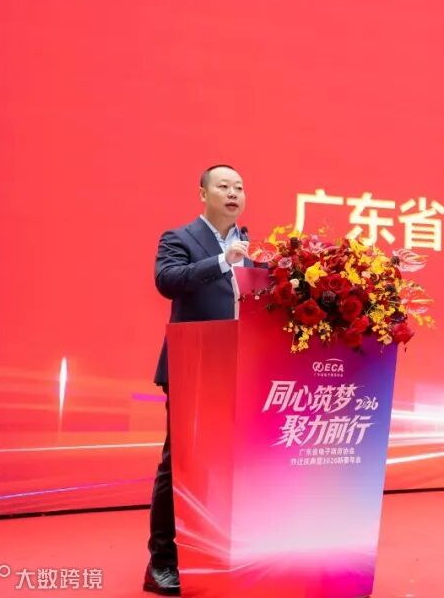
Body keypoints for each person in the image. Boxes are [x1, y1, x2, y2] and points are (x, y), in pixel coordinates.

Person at [144, 165, 250, 596]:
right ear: (203, 193)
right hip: (194, 367)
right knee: (180, 464)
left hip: (240, 368)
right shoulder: (180, 238)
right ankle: (161, 563)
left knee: (229, 466)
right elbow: (167, 281)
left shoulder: (248, 243)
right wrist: (223, 261)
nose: (233, 193)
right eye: (223, 186)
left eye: (239, 187)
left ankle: (210, 552)